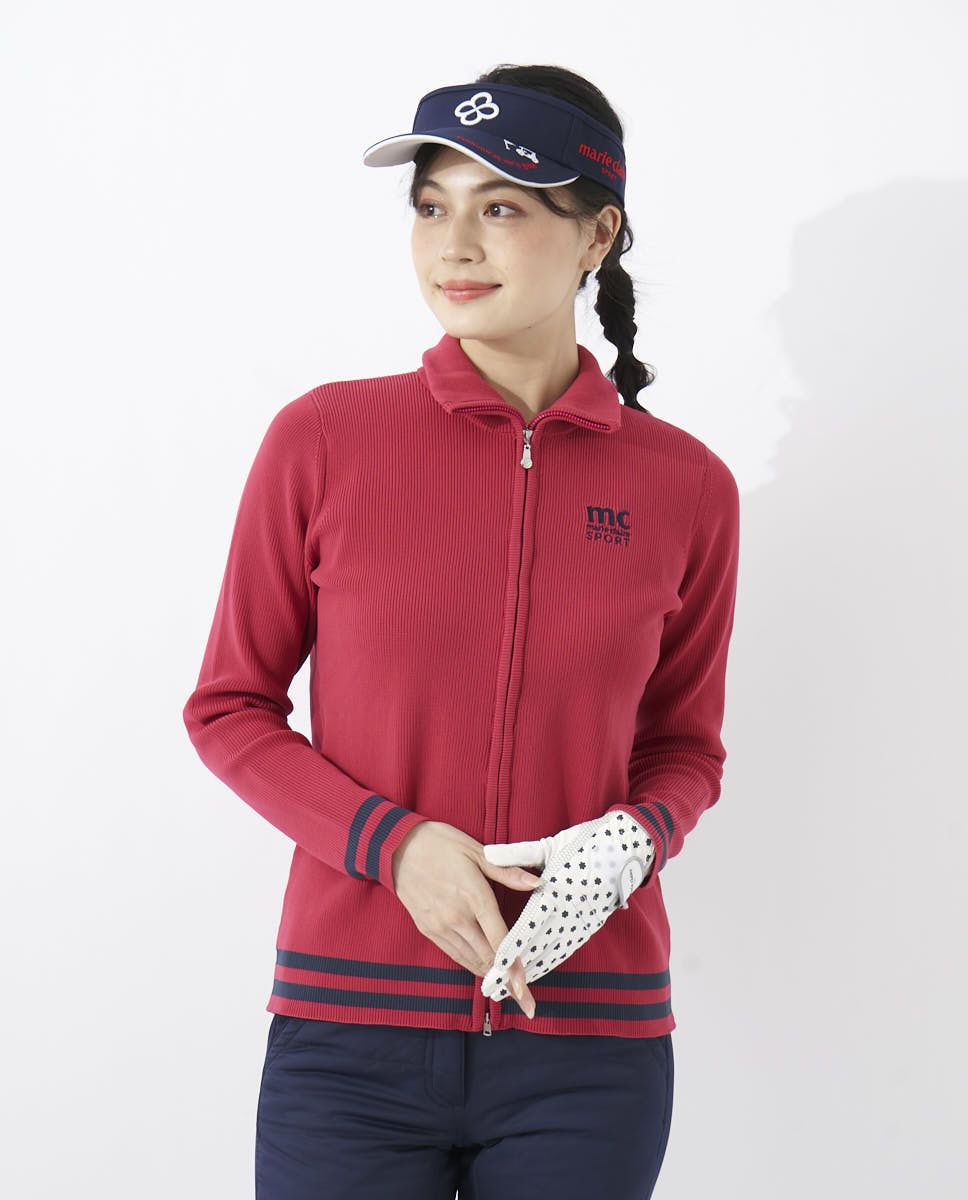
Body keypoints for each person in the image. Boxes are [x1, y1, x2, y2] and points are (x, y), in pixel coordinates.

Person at [183, 62, 740, 1200]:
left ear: (597, 235)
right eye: (432, 207)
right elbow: (229, 708)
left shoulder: (687, 487)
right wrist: (393, 846)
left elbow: (685, 746)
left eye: (504, 208)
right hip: (349, 1036)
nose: (456, 246)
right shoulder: (324, 440)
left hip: (591, 1047)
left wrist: (637, 837)